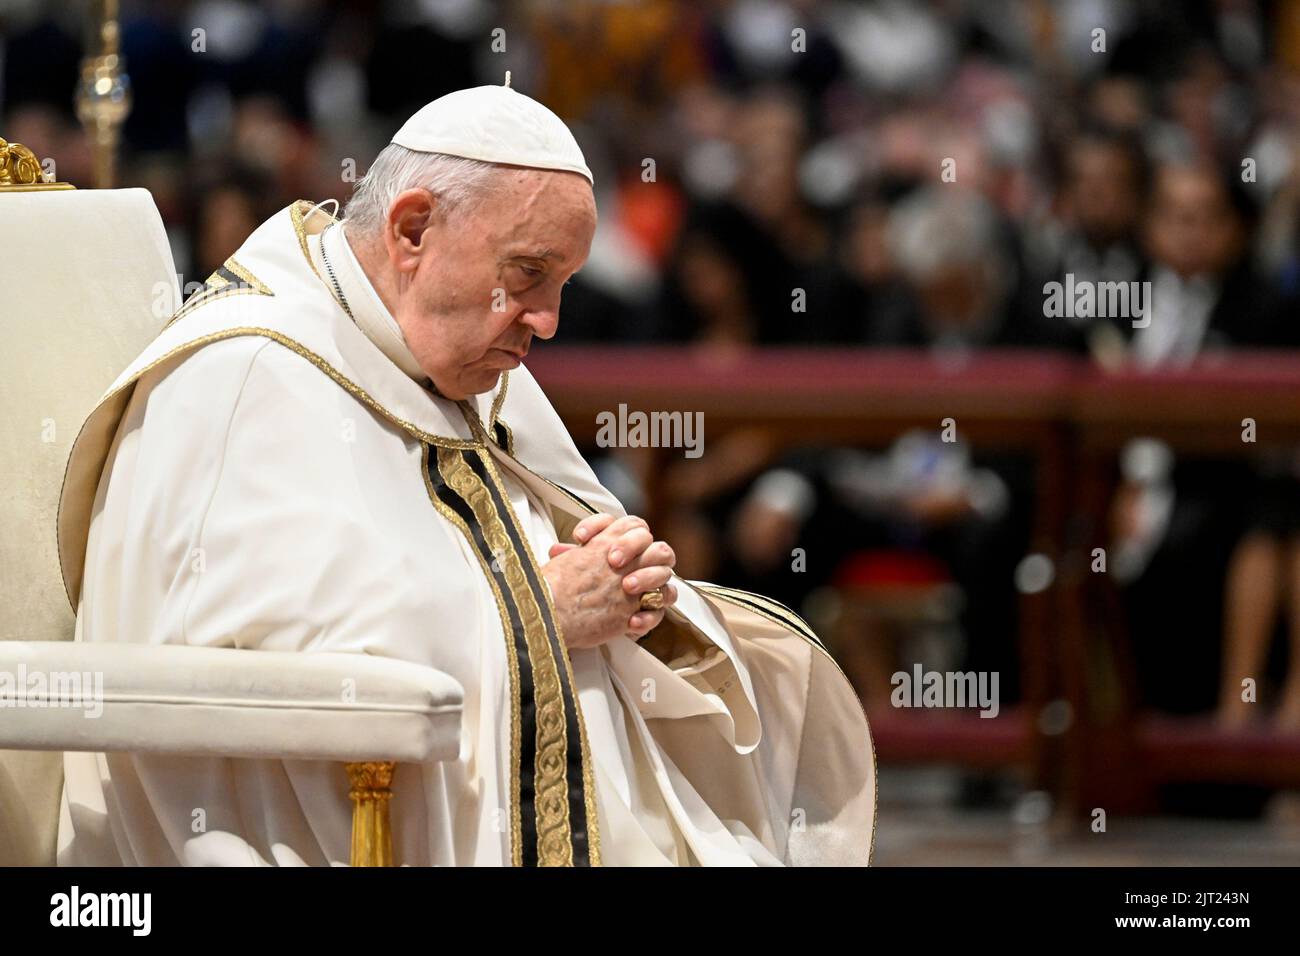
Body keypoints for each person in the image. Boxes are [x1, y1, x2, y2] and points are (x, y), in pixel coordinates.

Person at [54, 82, 875, 866]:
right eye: (528, 276)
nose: (547, 322)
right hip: (290, 821)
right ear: (412, 230)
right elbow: (265, 658)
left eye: (561, 286)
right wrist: (542, 609)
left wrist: (630, 586)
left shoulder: (447, 351)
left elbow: (537, 537)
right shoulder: (247, 372)